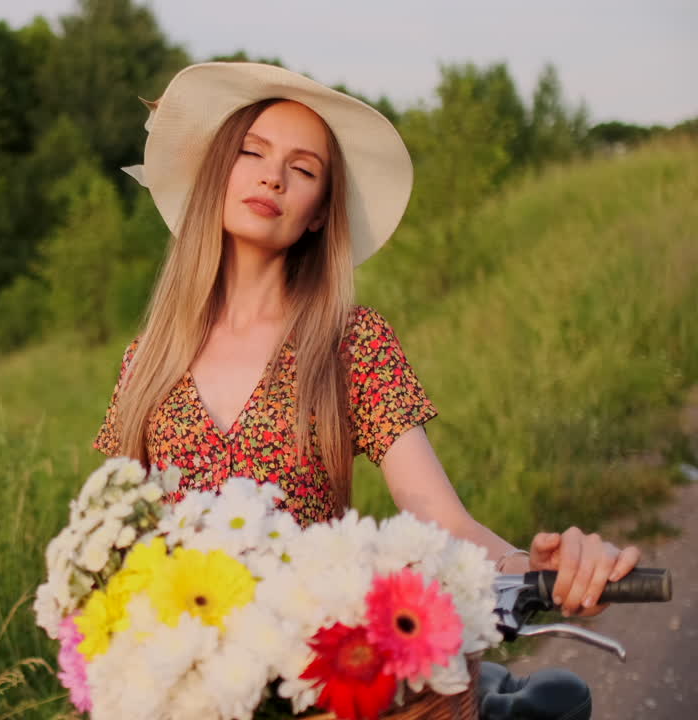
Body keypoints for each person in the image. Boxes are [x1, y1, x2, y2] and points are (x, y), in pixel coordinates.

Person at [93, 62, 639, 619]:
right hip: (174, 658)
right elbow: (116, 537)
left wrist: (536, 571)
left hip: (309, 656)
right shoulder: (147, 360)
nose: (273, 177)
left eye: (302, 169)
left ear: (319, 214)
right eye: (251, 152)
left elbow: (441, 521)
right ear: (217, 174)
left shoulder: (352, 343)